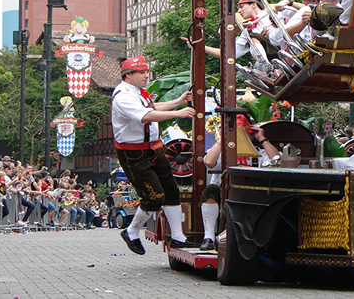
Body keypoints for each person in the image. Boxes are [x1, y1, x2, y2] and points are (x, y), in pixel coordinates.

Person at [112, 56, 198, 255]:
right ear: (128, 75)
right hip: (134, 153)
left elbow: (152, 108)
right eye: (141, 72)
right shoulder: (123, 96)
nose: (146, 75)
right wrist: (179, 113)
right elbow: (145, 116)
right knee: (155, 196)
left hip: (154, 147)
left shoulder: (138, 92)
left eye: (146, 71)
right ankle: (131, 230)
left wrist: (178, 101)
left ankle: (178, 237)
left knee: (171, 191)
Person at [200, 115, 279, 251]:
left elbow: (277, 161)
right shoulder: (222, 153)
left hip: (250, 194)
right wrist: (222, 139)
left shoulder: (258, 153)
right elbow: (209, 162)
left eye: (243, 135)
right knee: (211, 190)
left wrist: (262, 139)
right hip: (224, 192)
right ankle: (209, 237)